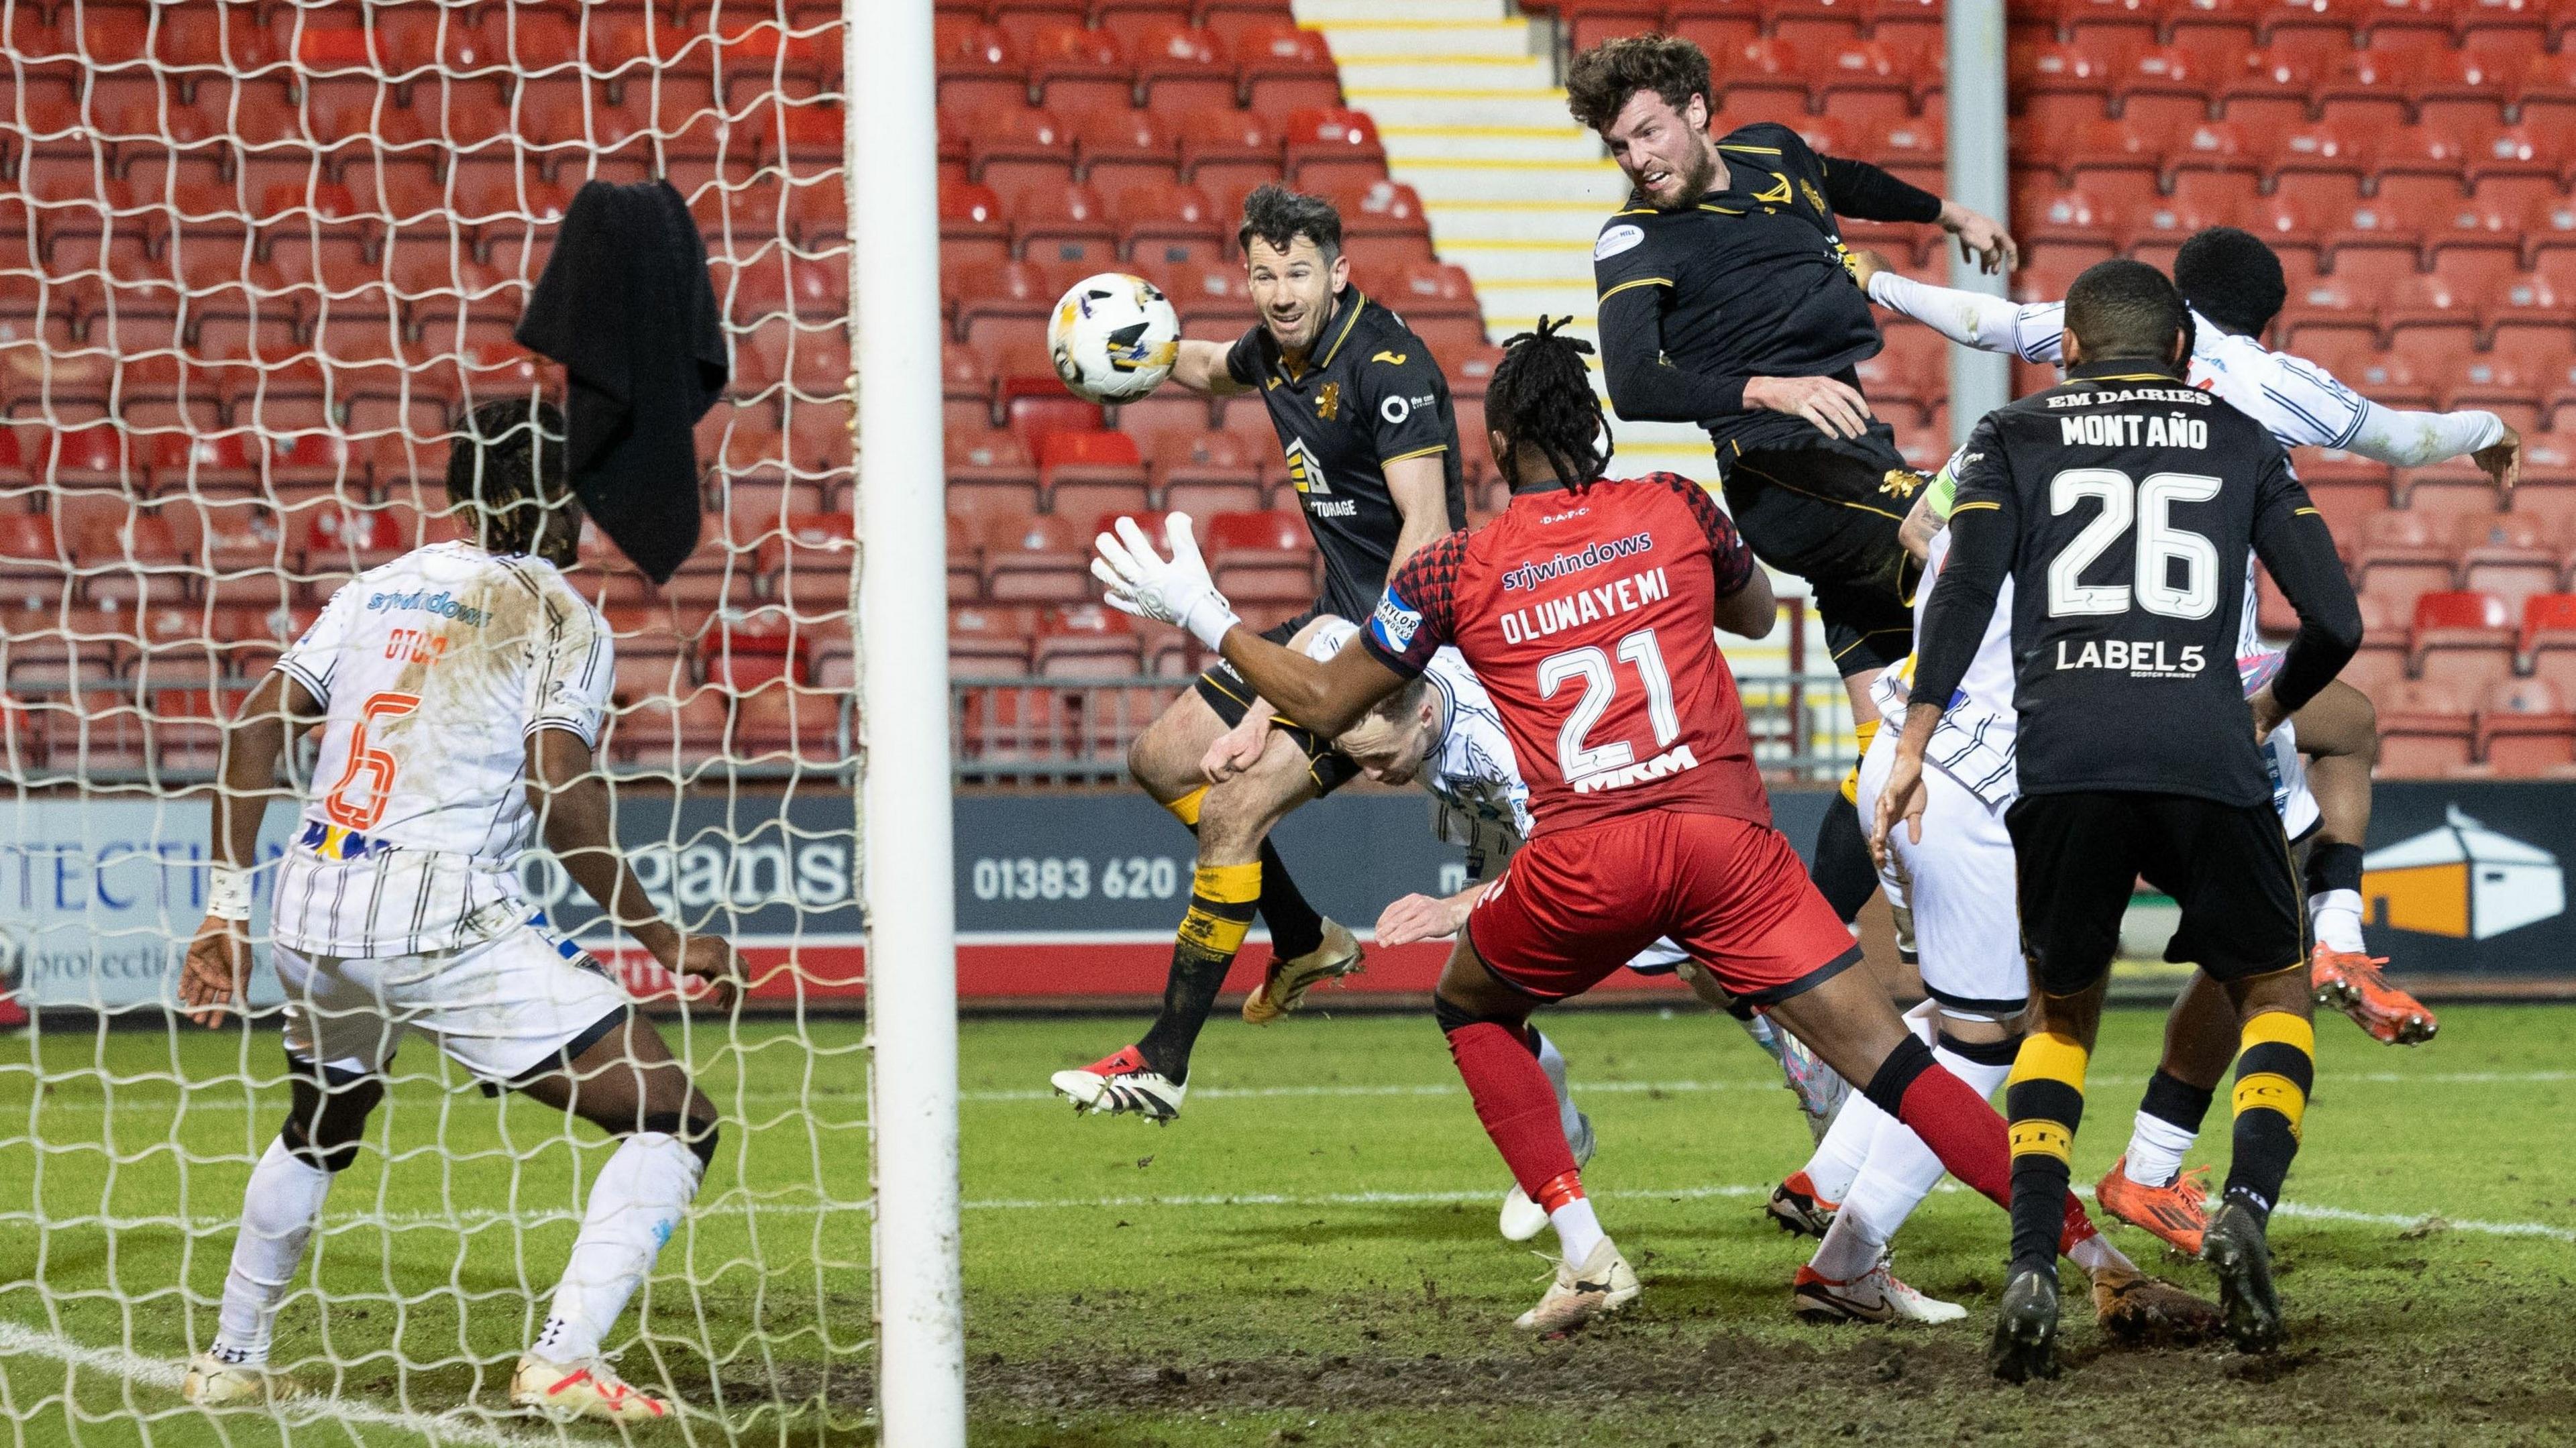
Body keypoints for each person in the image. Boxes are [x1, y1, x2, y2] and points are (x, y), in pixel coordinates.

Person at [1094, 320, 2198, 1337]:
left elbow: (1329, 703)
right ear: (1597, 429)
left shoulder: (1450, 567)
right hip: (1729, 849)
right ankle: (2100, 1261)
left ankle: (1585, 1250)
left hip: (1586, 859)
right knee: (1906, 1064)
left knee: (1473, 1003)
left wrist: (1206, 616)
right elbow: (1760, 612)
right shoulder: (1675, 501)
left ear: (1496, 447)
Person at [175, 400, 743, 1423]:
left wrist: (226, 908)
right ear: (568, 502)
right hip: (432, 910)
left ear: (461, 497)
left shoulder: (378, 585)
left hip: (306, 904)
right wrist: (664, 933)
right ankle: (564, 1357)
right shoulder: (563, 611)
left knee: (323, 1121)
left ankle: (232, 1355)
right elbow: (560, 790)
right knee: (671, 1113)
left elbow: (258, 723)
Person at [1852, 224, 2520, 1043]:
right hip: (2207, 673)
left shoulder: (2079, 349)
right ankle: (2333, 943)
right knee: (2276, 899)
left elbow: (1979, 324)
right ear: (2264, 318)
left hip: (2057, 679)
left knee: (2050, 975)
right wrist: (2487, 427)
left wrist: (1880, 283)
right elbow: (2402, 437)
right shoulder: (2271, 383)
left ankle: (2321, 949)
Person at [1877, 261, 2364, 1378]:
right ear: (2186, 359)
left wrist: (1912, 740)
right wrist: (2267, 709)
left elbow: (1958, 587)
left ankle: (2034, 1265)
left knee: (2059, 1016)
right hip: (2204, 748)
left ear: (2074, 350)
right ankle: (2241, 1202)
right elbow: (2334, 618)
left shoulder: (2014, 431)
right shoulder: (2241, 437)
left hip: (2065, 756)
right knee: (2273, 987)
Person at [1565, 33, 2020, 920]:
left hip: (1854, 452)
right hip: (1779, 471)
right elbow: (1633, 385)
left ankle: (1798, 949)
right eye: (1621, 146)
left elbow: (1839, 178)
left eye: (1650, 134)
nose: (1638, 160)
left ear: (1696, 110)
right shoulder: (1633, 237)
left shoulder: (1771, 150)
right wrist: (1766, 386)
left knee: (1886, 746)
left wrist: (1950, 213)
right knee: (1972, 543)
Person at [1051, 184, 1468, 1121]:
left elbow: (1430, 530)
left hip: (1407, 642)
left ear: (1339, 272)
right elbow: (1202, 365)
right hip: (1333, 622)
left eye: (1300, 273)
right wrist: (1124, 352)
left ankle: (1163, 1061)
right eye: (1266, 274)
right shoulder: (1278, 352)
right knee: (1161, 757)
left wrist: (1376, 673)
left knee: (1232, 810)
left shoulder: (1386, 363)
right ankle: (1301, 935)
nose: (1282, 292)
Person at [1270, 612, 1853, 1239]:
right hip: (1497, 821)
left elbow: (1559, 857)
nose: (1377, 775)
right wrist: (1254, 728)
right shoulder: (1375, 685)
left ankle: (1811, 1070)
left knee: (1698, 955)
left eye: (1383, 760)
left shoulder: (1497, 744)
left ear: (1425, 716)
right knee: (1480, 995)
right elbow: (1320, 630)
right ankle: (1564, 1134)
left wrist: (1451, 907)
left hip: (1588, 809)